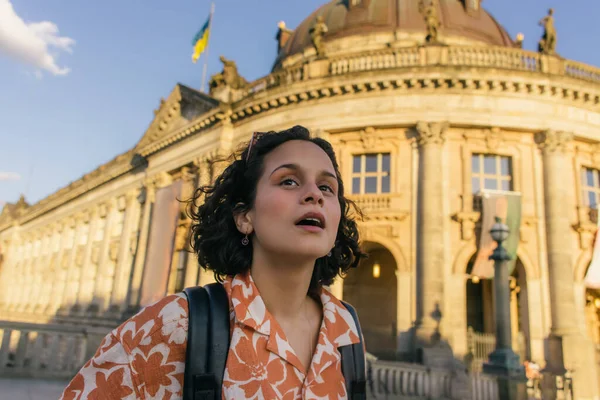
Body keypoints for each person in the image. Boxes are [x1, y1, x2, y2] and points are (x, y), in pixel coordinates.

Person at [60, 125, 366, 399]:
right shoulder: (172, 325)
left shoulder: (346, 328)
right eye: (288, 181)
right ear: (245, 216)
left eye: (327, 187)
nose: (315, 194)